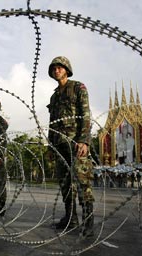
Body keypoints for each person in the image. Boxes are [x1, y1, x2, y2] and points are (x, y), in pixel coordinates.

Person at [46, 56, 95, 237]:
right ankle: (71, 218)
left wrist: (84, 140)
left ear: (66, 69)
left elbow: (85, 114)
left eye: (60, 67)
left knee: (83, 182)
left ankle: (88, 220)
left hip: (75, 143)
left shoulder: (78, 87)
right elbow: (52, 122)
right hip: (59, 144)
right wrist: (50, 147)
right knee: (65, 183)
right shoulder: (54, 96)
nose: (56, 70)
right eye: (54, 68)